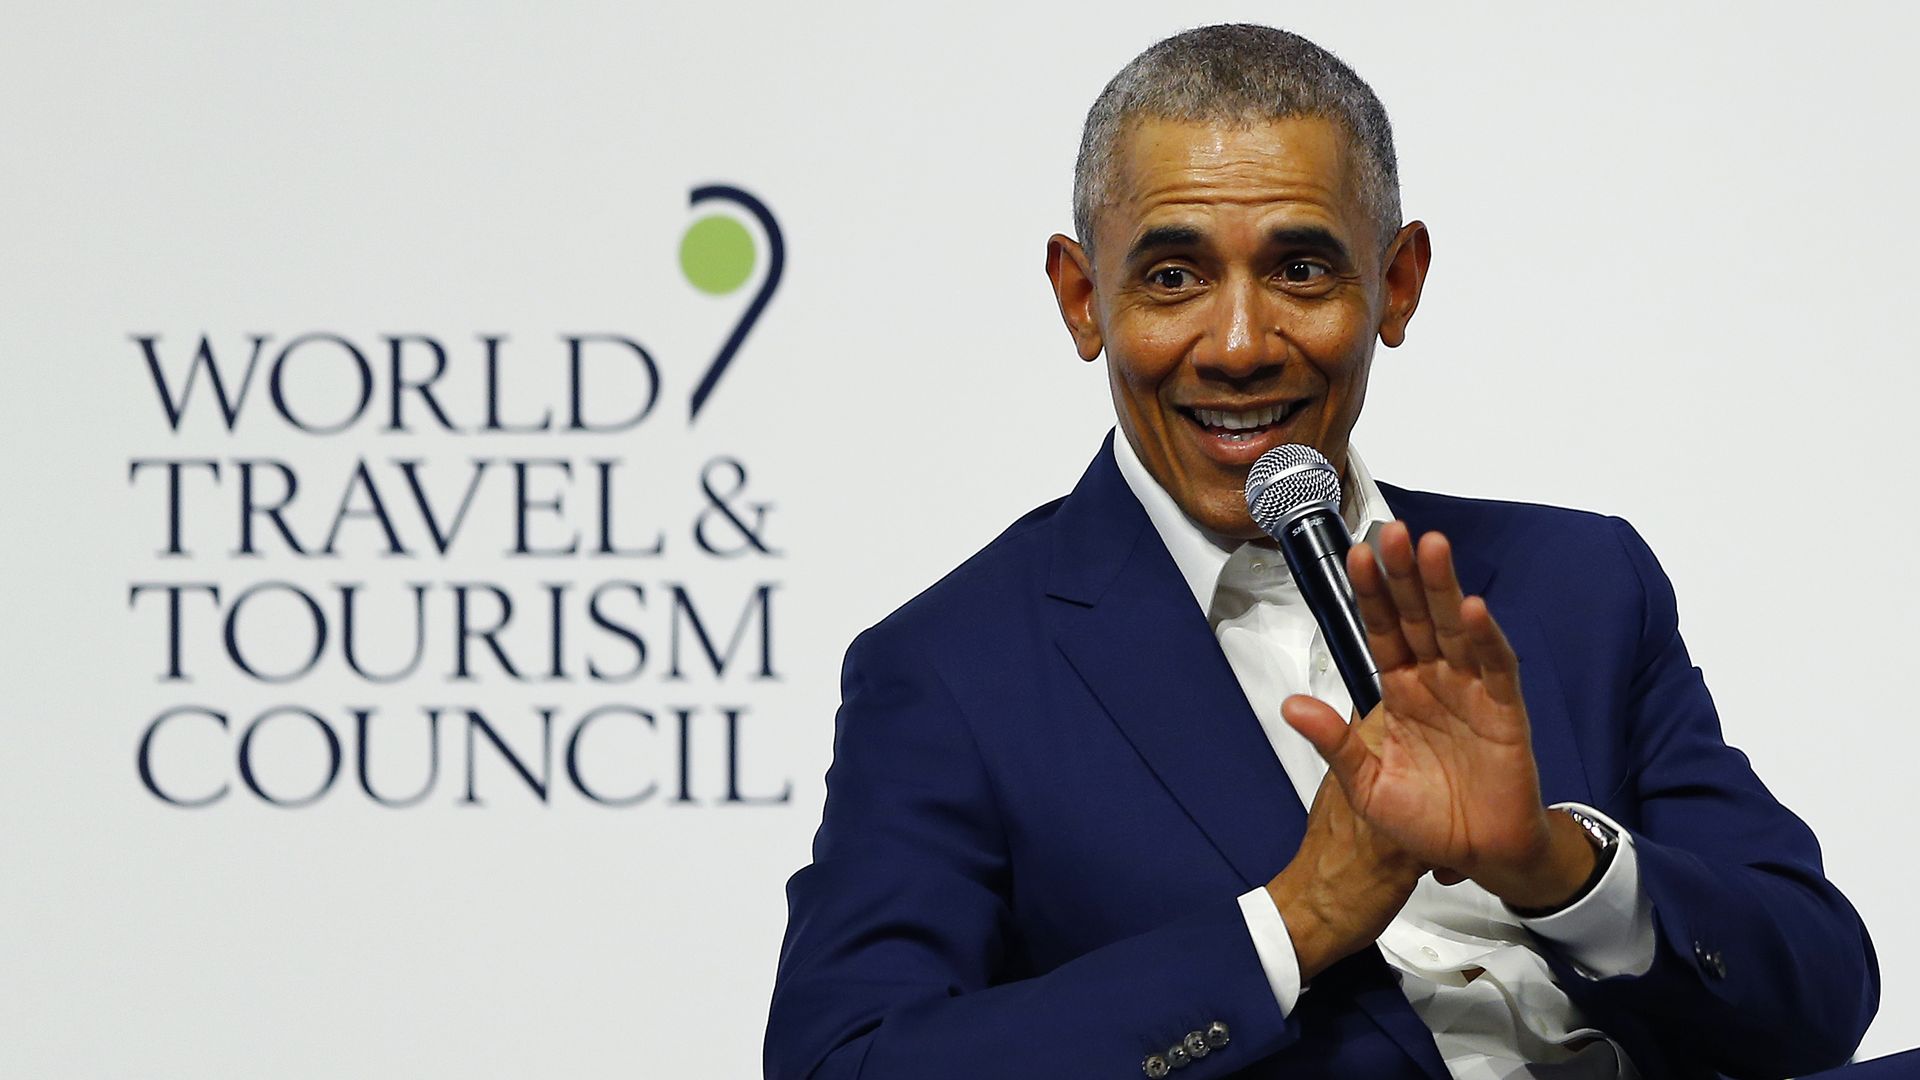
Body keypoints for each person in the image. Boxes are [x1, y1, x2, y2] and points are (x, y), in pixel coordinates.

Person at [764, 24, 1877, 1080]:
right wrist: (1296, 921)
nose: (1241, 345)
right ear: (1080, 297)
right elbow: (848, 1061)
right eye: (1172, 277)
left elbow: (1820, 991)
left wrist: (1552, 865)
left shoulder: (1579, 581)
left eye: (1301, 270)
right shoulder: (958, 669)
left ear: (1395, 284)